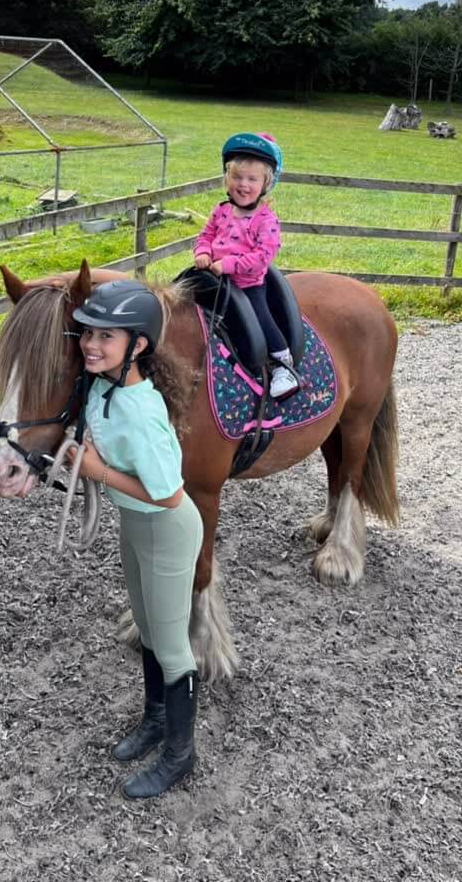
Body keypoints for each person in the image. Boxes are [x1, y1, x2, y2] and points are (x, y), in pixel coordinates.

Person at [67, 278, 203, 800]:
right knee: (147, 629)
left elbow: (168, 495)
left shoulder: (143, 412)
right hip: (136, 524)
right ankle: (154, 720)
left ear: (138, 347)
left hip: (165, 527)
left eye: (107, 337)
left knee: (172, 648)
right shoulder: (102, 385)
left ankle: (179, 753)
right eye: (87, 334)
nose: (91, 346)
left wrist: (97, 471)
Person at [193, 132, 299, 400]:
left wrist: (227, 264)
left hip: (247, 285)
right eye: (237, 177)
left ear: (265, 183)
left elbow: (262, 256)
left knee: (260, 319)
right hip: (212, 278)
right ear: (227, 179)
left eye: (252, 179)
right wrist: (203, 252)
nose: (243, 185)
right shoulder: (221, 211)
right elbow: (205, 236)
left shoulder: (266, 220)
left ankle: (283, 365)